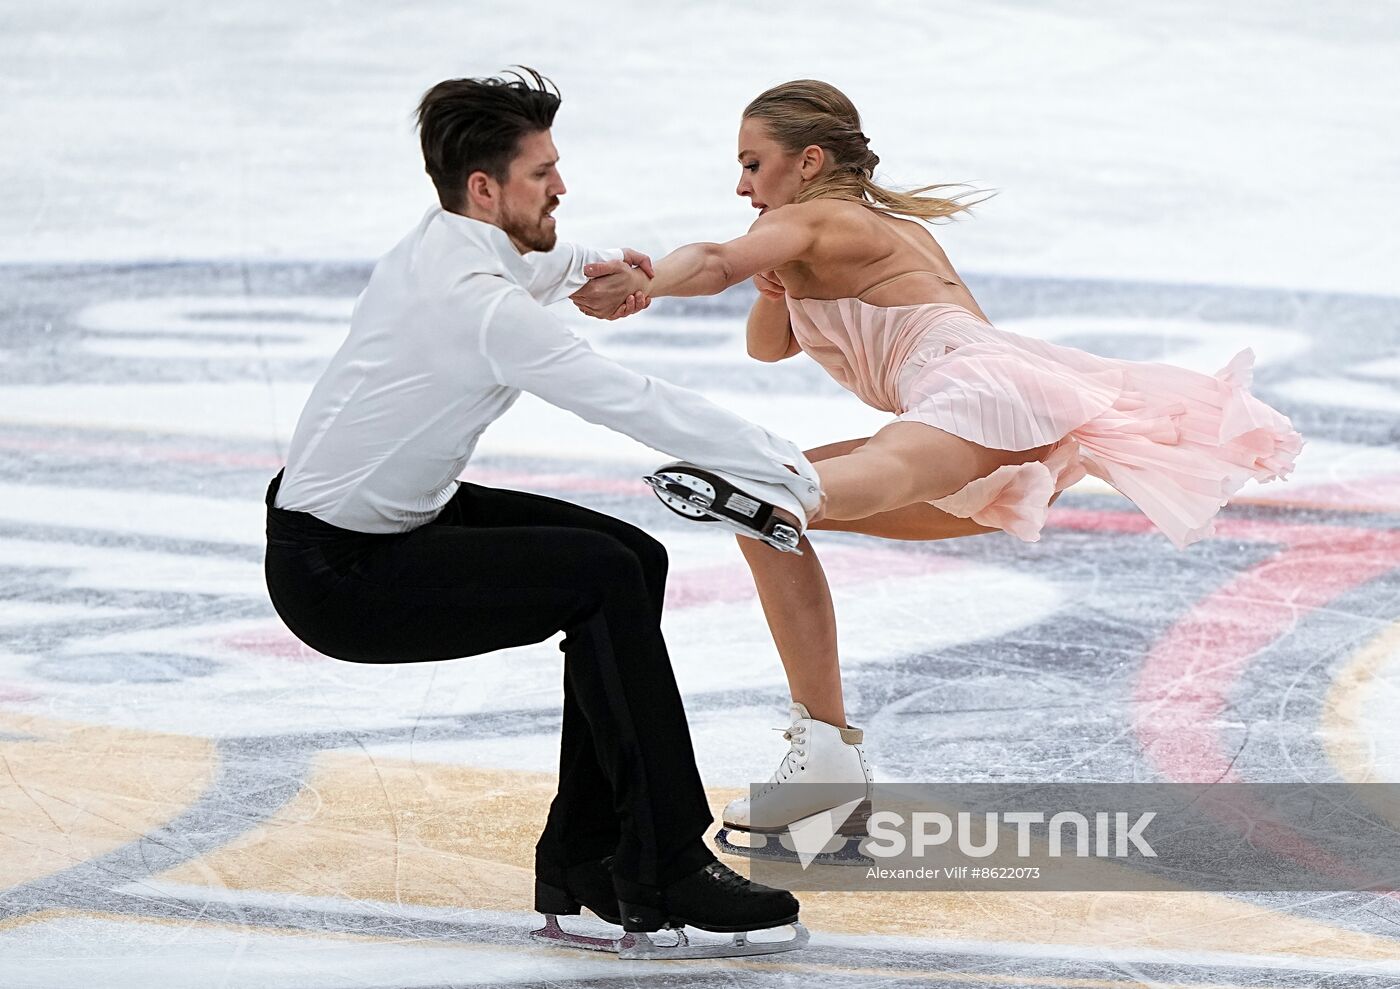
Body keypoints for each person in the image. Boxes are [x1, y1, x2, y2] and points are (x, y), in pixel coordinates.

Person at [575, 78, 1302, 857]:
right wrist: (773, 287)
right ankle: (827, 760)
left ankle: (785, 497)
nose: (742, 184)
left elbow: (715, 257)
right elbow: (769, 343)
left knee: (805, 486)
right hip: (989, 403)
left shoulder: (824, 218)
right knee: (765, 525)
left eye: (753, 164)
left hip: (974, 385)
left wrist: (645, 279)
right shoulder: (823, 233)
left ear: (808, 161)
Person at [262, 68, 819, 959]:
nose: (560, 185)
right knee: (598, 578)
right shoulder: (472, 302)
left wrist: (618, 273)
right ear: (485, 189)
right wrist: (773, 460)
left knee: (631, 556)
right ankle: (665, 865)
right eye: (540, 174)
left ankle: (587, 857)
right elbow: (623, 398)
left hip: (391, 523)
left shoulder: (454, 241)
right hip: (340, 576)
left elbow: (562, 263)